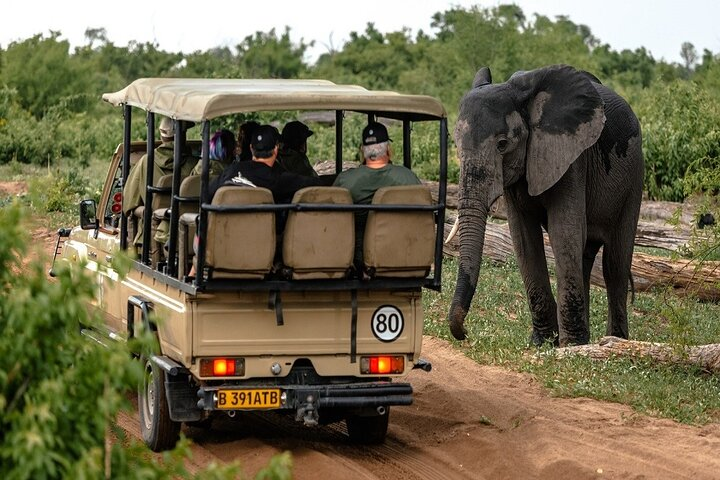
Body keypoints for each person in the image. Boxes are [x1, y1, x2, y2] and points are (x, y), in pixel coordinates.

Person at [333, 121, 421, 269]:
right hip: (404, 254)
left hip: (356, 259)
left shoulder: (345, 180)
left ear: (362, 150)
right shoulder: (409, 178)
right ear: (388, 149)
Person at [123, 116, 195, 247]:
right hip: (190, 233)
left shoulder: (146, 161)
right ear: (183, 135)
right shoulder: (194, 164)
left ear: (162, 137)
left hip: (153, 236)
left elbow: (128, 203)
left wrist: (147, 211)